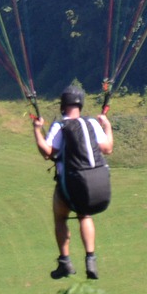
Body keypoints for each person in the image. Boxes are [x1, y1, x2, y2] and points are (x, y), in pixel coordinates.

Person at [32, 83, 113, 279]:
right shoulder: (93, 123)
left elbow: (48, 152)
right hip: (99, 183)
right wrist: (107, 126)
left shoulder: (61, 126)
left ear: (63, 104)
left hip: (73, 184)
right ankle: (90, 259)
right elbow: (108, 148)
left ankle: (65, 261)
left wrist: (36, 130)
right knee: (84, 215)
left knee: (60, 216)